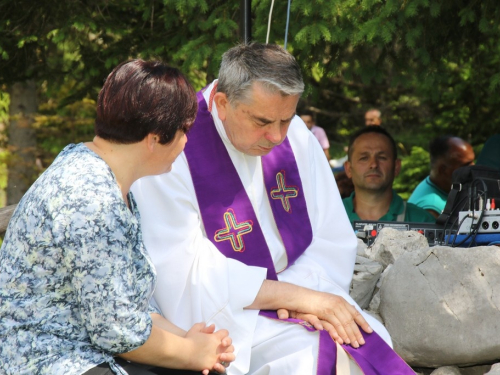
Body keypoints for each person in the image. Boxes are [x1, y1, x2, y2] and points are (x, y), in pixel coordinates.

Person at [132, 43, 414, 375]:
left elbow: (329, 238)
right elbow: (184, 274)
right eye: (263, 121)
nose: (278, 136)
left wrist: (304, 299)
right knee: (307, 361)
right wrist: (293, 299)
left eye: (287, 118)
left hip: (306, 292)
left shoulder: (294, 137)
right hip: (230, 315)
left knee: (372, 341)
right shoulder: (175, 150)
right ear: (223, 104)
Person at [0, 60, 235, 375]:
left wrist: (194, 343)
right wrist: (193, 353)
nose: (186, 142)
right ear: (154, 138)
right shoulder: (92, 202)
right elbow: (120, 335)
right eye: (183, 131)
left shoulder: (96, 170)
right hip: (48, 360)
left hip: (84, 347)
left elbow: (127, 308)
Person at [343, 126, 435, 224]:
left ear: (396, 167)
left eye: (382, 157)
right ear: (348, 169)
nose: (373, 164)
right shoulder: (329, 216)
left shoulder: (422, 221)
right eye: (364, 158)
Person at [409, 135, 475, 218]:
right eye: (466, 165)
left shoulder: (437, 186)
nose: (473, 168)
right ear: (443, 170)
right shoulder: (431, 208)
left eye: (473, 162)